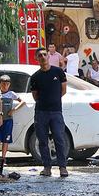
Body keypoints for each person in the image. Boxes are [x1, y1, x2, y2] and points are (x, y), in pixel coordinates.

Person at [30, 47, 69, 177]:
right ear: (37, 58)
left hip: (56, 112)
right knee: (42, 140)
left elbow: (63, 91)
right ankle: (47, 167)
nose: (42, 57)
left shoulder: (58, 72)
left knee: (59, 138)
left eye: (44, 54)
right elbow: (35, 95)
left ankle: (62, 167)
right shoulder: (35, 76)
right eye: (39, 55)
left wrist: (54, 101)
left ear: (48, 56)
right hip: (41, 112)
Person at [0, 74, 25, 163]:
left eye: (7, 84)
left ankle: (3, 158)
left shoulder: (11, 94)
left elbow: (23, 102)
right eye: (3, 83)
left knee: (6, 140)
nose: (5, 86)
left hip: (8, 120)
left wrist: (14, 110)